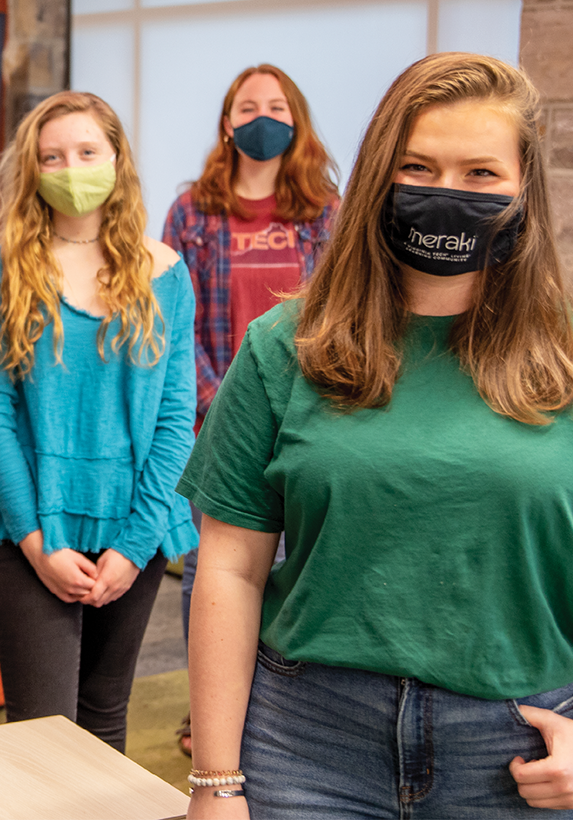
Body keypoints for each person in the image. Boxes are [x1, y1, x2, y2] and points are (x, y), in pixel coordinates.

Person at [179, 53, 573, 818]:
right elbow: (228, 565)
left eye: (481, 174)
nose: (446, 193)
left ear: (526, 187)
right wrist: (216, 783)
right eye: (418, 166)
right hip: (306, 740)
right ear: (375, 181)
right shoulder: (283, 347)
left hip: (520, 746)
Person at [0, 90, 199, 751]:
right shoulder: (1, 271)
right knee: (43, 733)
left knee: (104, 716)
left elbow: (177, 420)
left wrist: (134, 545)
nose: (71, 168)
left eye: (87, 152)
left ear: (118, 159)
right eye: (52, 156)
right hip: (31, 524)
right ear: (32, 171)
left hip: (136, 526)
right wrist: (37, 543)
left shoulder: (167, 274)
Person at [161, 64, 339, 757]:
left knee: (294, 563)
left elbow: (341, 313)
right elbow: (173, 323)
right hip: (218, 422)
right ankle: (205, 711)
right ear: (227, 123)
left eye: (275, 104)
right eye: (247, 105)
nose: (261, 115)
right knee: (215, 568)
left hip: (307, 417)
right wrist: (223, 402)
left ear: (295, 119)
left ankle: (279, 704)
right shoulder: (191, 211)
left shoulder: (326, 209)